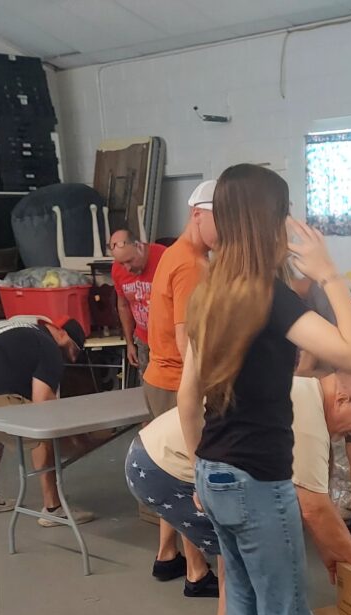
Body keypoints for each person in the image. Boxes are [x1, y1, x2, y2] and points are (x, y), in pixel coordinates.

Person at [178, 164, 351, 615]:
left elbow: (187, 397)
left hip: (215, 472)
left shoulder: (210, 291)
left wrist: (202, 470)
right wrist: (329, 275)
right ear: (270, 220)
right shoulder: (270, 295)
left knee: (244, 612)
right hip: (258, 484)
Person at [125, 371, 351, 615]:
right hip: (165, 469)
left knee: (243, 552)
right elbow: (313, 507)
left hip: (155, 455)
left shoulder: (306, 393)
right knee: (244, 560)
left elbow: (310, 496)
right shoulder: (308, 419)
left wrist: (330, 551)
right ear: (343, 399)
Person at [0, 314, 92, 526]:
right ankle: (53, 508)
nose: (72, 359)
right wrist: (75, 432)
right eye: (73, 351)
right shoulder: (48, 346)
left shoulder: (19, 329)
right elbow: (42, 403)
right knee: (42, 433)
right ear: (61, 334)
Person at [142, 179, 218, 585]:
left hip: (160, 375)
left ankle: (166, 555)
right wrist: (202, 389)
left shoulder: (174, 253)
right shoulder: (192, 264)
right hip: (177, 381)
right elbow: (186, 336)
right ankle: (195, 570)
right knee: (189, 475)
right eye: (222, 222)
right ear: (197, 215)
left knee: (172, 467)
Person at [290, 275, 351, 549]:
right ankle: (325, 512)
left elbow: (318, 350)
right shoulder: (310, 297)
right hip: (348, 376)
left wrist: (295, 384)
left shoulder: (323, 295)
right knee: (323, 443)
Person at [109, 228, 166, 377]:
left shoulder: (164, 257)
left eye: (130, 261)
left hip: (167, 339)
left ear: (139, 246)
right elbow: (123, 306)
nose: (127, 268)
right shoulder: (117, 270)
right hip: (143, 338)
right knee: (147, 383)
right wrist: (129, 343)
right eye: (122, 263)